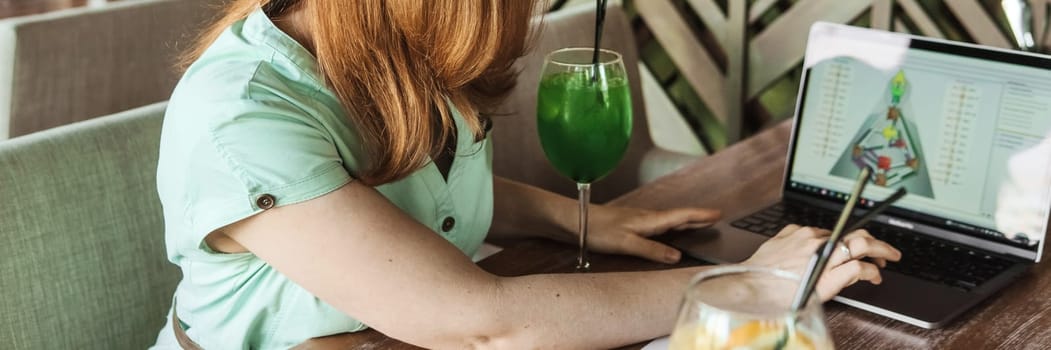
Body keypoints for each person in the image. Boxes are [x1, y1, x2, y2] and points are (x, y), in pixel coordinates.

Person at [150, 0, 902, 349]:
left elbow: (408, 201)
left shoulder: (397, 47)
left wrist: (574, 217)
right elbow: (482, 321)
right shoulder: (241, 116)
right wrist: (755, 288)